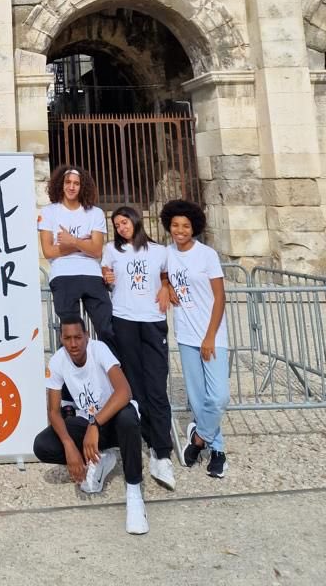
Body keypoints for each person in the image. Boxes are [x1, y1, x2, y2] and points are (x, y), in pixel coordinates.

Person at [33, 317, 149, 535]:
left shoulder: (99, 350)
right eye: (67, 338)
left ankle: (134, 494)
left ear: (86, 336)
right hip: (89, 424)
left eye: (78, 337)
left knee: (127, 417)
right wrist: (70, 447)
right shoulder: (57, 361)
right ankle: (99, 461)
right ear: (61, 338)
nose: (73, 343)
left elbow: (124, 391)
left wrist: (95, 424)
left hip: (113, 421)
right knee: (43, 444)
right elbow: (53, 412)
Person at [101, 205, 175, 490]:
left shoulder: (159, 251)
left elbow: (167, 277)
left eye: (124, 222)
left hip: (153, 320)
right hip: (125, 320)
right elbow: (107, 278)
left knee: (157, 383)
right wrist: (106, 280)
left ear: (135, 221)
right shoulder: (111, 250)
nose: (121, 227)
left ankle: (162, 451)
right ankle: (147, 439)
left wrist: (166, 287)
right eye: (117, 224)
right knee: (135, 386)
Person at [161, 199, 230, 478]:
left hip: (211, 334)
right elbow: (160, 273)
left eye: (185, 226)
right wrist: (166, 285)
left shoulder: (207, 255)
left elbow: (220, 296)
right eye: (175, 225)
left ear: (194, 228)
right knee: (198, 397)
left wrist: (210, 336)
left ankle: (199, 437)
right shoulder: (166, 253)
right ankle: (218, 451)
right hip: (186, 334)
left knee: (219, 397)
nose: (180, 230)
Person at [37, 164, 115, 351]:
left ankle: (112, 373)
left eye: (76, 183)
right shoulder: (49, 212)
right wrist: (81, 244)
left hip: (92, 275)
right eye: (68, 182)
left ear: (83, 187)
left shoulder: (94, 213)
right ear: (61, 185)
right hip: (63, 275)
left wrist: (70, 241)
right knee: (70, 330)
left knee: (107, 329)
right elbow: (48, 251)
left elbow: (97, 251)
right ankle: (69, 377)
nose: (72, 187)